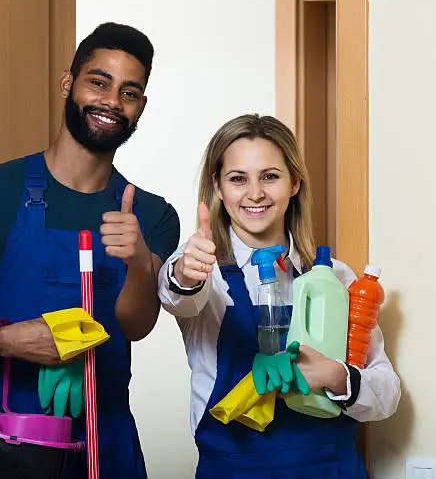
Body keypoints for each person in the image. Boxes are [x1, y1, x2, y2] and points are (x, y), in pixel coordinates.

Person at [0, 22, 180, 478]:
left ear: (140, 107)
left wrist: (140, 263)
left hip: (107, 447)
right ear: (69, 83)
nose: (110, 102)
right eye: (98, 82)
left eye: (128, 92)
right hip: (7, 442)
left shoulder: (153, 214)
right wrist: (7, 341)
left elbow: (138, 326)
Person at [157, 114, 400, 478]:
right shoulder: (201, 268)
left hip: (331, 469)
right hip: (234, 469)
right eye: (238, 179)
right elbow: (178, 295)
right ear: (218, 188)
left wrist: (337, 376)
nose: (255, 193)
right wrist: (185, 273)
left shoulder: (336, 277)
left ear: (294, 183)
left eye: (270, 176)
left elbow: (388, 393)